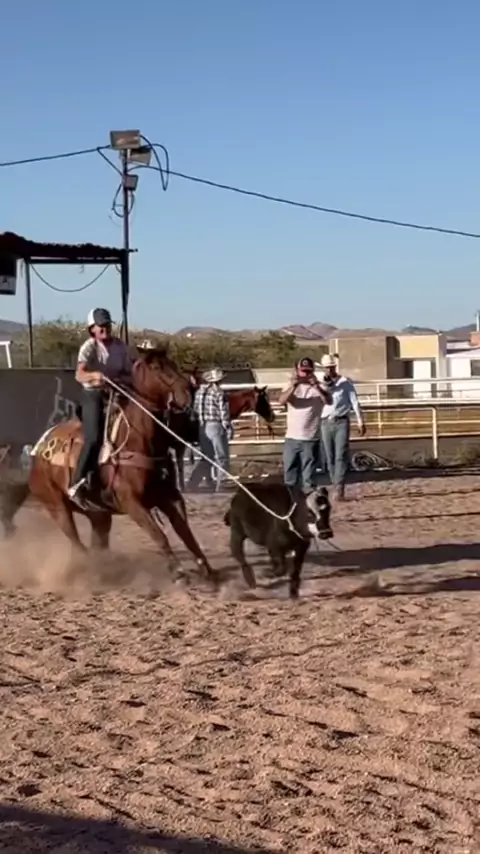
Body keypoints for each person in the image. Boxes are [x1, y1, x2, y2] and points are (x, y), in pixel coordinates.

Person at [68, 308, 133, 505]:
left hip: (118, 393)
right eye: (100, 326)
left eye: (107, 325)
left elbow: (129, 372)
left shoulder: (121, 347)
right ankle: (76, 482)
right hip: (93, 394)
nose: (105, 329)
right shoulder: (89, 347)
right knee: (93, 438)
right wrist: (94, 376)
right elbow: (79, 375)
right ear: (92, 329)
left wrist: (122, 379)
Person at [279, 357, 331, 496]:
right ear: (297, 371)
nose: (305, 375)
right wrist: (294, 385)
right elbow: (281, 400)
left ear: (312, 371)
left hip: (310, 437)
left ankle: (308, 500)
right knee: (290, 473)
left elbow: (329, 401)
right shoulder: (290, 385)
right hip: (292, 437)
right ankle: (291, 499)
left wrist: (316, 386)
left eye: (308, 371)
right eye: (303, 371)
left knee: (309, 476)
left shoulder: (320, 387)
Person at [319, 354, 366, 502]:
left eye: (331, 367)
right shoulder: (320, 384)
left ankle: (339, 487)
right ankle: (335, 483)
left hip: (341, 421)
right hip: (325, 422)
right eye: (327, 368)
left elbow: (354, 401)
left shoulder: (345, 382)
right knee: (329, 456)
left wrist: (360, 421)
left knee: (340, 454)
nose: (329, 370)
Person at [188, 367, 233, 492]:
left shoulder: (199, 392)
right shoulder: (219, 393)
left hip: (203, 426)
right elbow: (223, 412)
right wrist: (228, 427)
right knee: (221, 455)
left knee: (207, 456)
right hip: (216, 425)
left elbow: (195, 410)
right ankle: (221, 482)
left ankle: (193, 482)